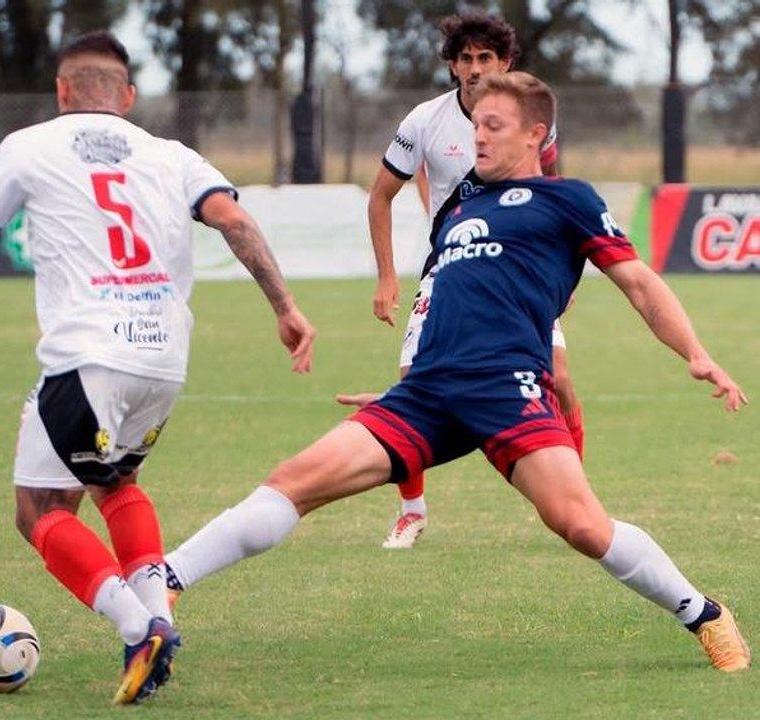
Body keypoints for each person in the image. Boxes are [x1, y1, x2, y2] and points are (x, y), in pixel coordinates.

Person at [163, 72, 750, 673]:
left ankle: (704, 614)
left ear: (535, 135)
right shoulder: (458, 208)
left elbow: (641, 285)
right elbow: (441, 301)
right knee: (295, 481)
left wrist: (696, 354)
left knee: (580, 525)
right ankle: (167, 581)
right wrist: (406, 384)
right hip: (426, 392)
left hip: (507, 386)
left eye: (493, 126)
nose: (478, 138)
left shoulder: (569, 199)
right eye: (475, 126)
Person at [0, 31, 316, 703]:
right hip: (164, 360)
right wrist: (285, 307)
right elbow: (235, 221)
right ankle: (160, 619)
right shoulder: (173, 154)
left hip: (88, 356)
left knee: (39, 510)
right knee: (117, 483)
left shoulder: (29, 145)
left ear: (61, 91)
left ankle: (138, 629)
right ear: (128, 96)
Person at [349, 11, 580, 549]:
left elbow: (554, 195)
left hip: (518, 274)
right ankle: (412, 511)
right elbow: (380, 195)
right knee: (411, 382)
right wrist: (387, 277)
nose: (475, 69)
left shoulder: (529, 121)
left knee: (561, 377)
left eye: (486, 59)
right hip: (448, 271)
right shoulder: (423, 122)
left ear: (505, 63)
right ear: (452, 66)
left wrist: (557, 280)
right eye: (466, 59)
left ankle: (573, 499)